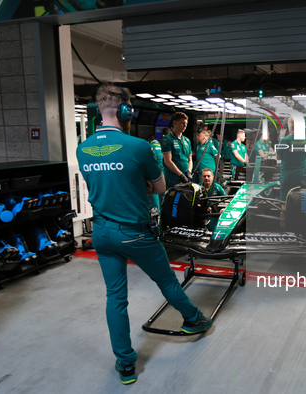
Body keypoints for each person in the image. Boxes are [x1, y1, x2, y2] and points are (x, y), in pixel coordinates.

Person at [76, 85, 212, 385]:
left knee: (115, 297)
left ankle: (125, 364)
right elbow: (160, 187)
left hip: (101, 232)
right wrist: (140, 184)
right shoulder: (139, 147)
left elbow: (99, 184)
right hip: (135, 233)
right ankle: (194, 319)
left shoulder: (82, 148)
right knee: (165, 280)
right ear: (126, 112)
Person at [277, 117, 306, 201]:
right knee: (301, 203)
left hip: (287, 176)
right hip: (301, 176)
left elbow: (278, 157)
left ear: (291, 126)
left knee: (284, 203)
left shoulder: (284, 140)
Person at [161, 112, 193, 189]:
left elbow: (190, 159)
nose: (185, 125)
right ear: (175, 123)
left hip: (186, 177)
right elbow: (168, 161)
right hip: (173, 178)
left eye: (186, 123)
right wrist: (180, 174)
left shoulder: (187, 140)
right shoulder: (167, 139)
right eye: (182, 123)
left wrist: (189, 171)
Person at [146, 134, 164, 212]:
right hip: (163, 170)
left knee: (154, 192)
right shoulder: (161, 145)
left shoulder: (150, 146)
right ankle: (164, 209)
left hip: (154, 170)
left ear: (149, 140)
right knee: (164, 193)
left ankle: (156, 211)